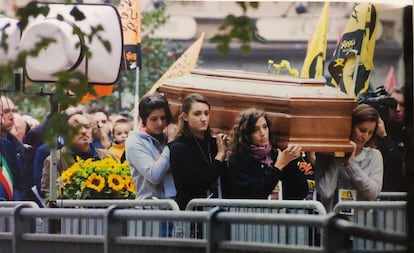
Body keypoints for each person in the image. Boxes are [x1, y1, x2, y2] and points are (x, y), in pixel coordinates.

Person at [314, 104, 383, 212]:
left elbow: (373, 192)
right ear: (350, 126)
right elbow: (325, 192)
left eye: (370, 132)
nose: (365, 137)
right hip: (332, 221)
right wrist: (339, 156)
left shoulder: (374, 155)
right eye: (362, 130)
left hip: (361, 222)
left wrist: (349, 164)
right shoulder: (326, 154)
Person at [227, 108, 309, 200]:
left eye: (265, 127)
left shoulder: (276, 154)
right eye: (256, 130)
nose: (263, 133)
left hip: (282, 212)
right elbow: (255, 195)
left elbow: (301, 192)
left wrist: (291, 162)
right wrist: (278, 166)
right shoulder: (238, 160)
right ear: (247, 134)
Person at [169, 93, 230, 210]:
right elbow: (197, 183)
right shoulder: (179, 147)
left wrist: (226, 155)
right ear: (185, 117)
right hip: (191, 216)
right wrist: (220, 155)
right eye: (197, 114)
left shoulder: (214, 143)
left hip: (217, 211)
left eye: (206, 113)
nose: (203, 119)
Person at [40, 112, 114, 194]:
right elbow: (47, 194)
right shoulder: (55, 161)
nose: (83, 131)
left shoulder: (107, 156)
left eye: (87, 127)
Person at [125, 93, 176, 200]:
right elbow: (154, 175)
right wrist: (170, 144)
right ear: (144, 119)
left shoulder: (167, 136)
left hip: (173, 206)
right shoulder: (134, 142)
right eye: (154, 119)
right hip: (149, 209)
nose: (160, 123)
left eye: (163, 118)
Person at [376, 87, 407, 192]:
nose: (397, 109)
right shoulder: (375, 129)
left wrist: (384, 136)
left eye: (402, 105)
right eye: (393, 105)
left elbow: (399, 162)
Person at [0, 95, 30, 201]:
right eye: (6, 111)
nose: (12, 116)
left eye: (14, 111)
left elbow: (20, 185)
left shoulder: (12, 147)